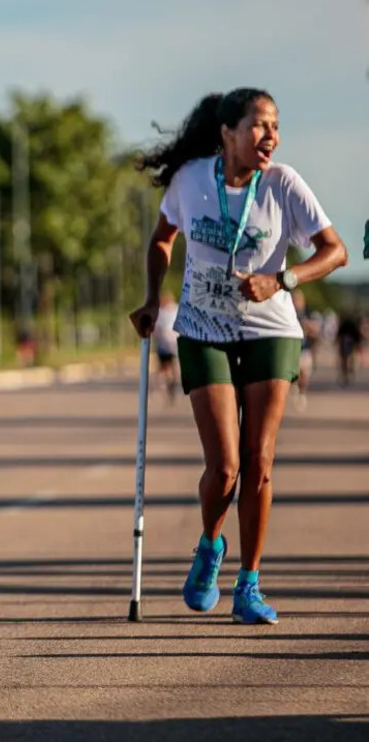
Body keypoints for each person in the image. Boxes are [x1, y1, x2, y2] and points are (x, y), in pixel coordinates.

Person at [129, 88, 347, 624]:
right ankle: (209, 547)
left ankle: (248, 584)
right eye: (258, 125)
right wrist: (152, 297)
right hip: (203, 327)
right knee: (224, 467)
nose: (270, 136)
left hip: (270, 330)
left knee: (260, 460)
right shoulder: (190, 180)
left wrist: (283, 278)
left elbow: (334, 250)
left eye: (275, 126)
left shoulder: (283, 184)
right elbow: (163, 240)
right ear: (227, 132)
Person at [291, 289, 320, 409]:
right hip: (292, 349)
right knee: (293, 375)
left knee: (305, 374)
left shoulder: (309, 312)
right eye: (295, 299)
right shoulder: (289, 312)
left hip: (305, 349)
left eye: (299, 299)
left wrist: (309, 327)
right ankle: (295, 387)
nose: (297, 301)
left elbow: (316, 330)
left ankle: (302, 393)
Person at [152, 290, 180, 402]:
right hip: (163, 344)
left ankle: (172, 384)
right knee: (163, 367)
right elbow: (155, 329)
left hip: (173, 344)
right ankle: (166, 384)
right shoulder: (160, 312)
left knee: (172, 365)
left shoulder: (176, 310)